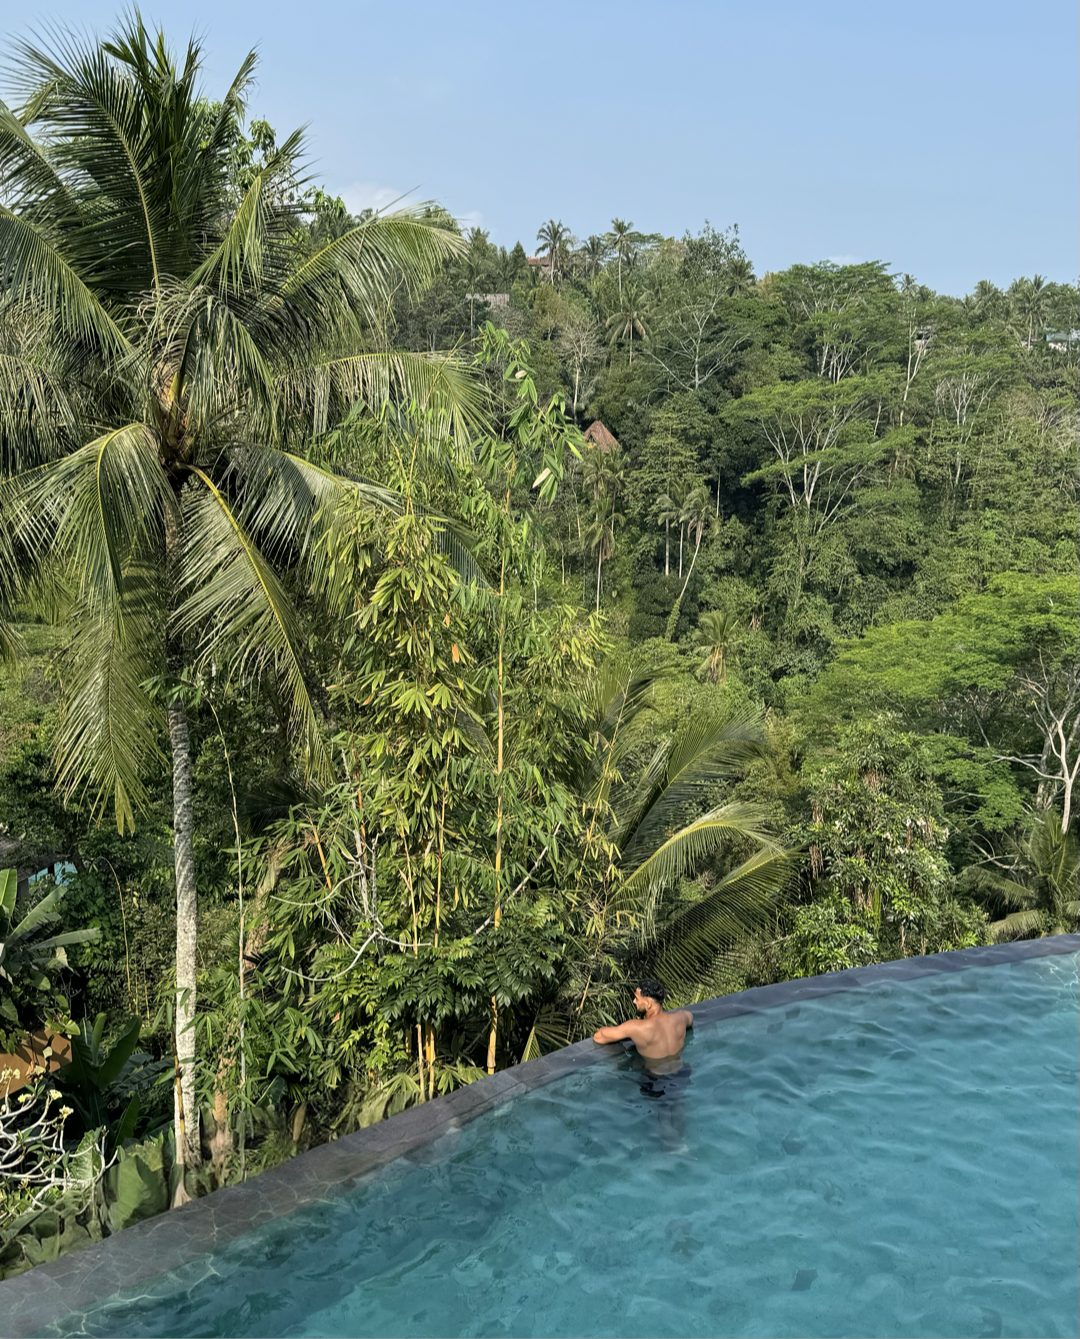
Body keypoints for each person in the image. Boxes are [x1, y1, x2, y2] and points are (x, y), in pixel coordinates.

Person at [591, 979, 693, 1073]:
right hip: (682, 1072)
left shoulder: (636, 1027)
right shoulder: (681, 1017)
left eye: (637, 998)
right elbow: (690, 1018)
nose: (634, 1001)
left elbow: (599, 1036)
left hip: (656, 1081)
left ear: (648, 1004)